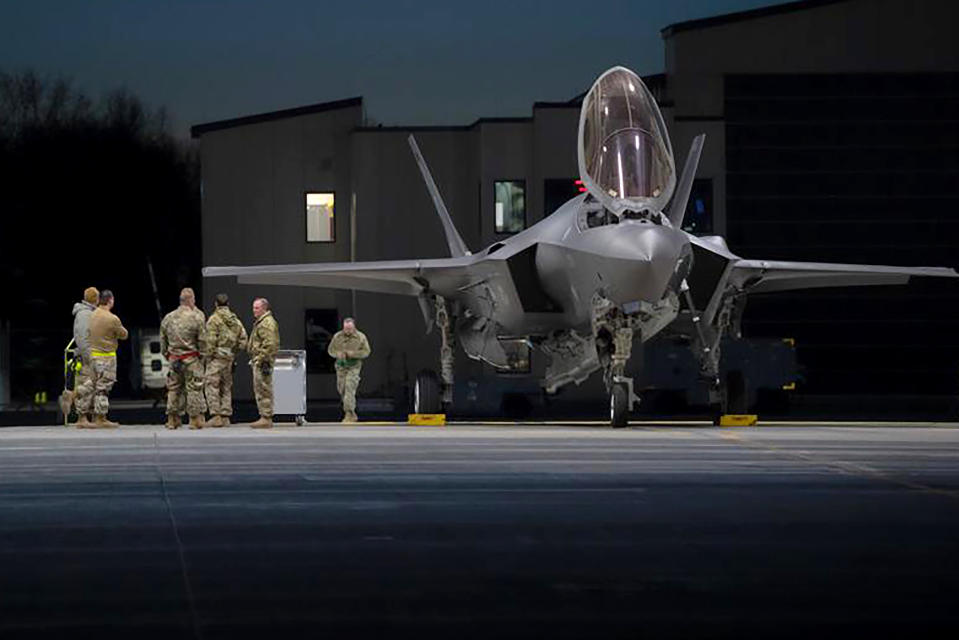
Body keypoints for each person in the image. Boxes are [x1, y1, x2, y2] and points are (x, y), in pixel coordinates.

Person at [75, 290, 128, 428]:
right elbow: (124, 334)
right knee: (102, 388)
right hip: (106, 357)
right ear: (110, 300)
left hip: (93, 356)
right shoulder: (112, 318)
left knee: (90, 385)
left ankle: (82, 412)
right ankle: (100, 417)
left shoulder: (91, 315)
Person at [160, 288, 207, 429]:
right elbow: (203, 341)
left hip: (174, 359)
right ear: (191, 300)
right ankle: (194, 420)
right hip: (191, 359)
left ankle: (172, 419)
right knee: (193, 389)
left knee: (173, 389)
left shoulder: (168, 318)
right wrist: (202, 356)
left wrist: (167, 355)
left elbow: (163, 340)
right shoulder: (196, 317)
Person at [202, 293, 247, 427]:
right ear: (228, 304)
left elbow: (210, 343)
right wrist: (233, 353)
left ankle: (216, 416)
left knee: (212, 386)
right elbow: (244, 341)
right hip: (229, 358)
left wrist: (208, 357)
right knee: (226, 387)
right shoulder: (236, 321)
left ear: (216, 304)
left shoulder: (213, 320)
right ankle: (226, 417)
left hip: (216, 359)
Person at [62, 286, 98, 427]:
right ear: (95, 299)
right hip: (86, 356)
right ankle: (81, 417)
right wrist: (90, 356)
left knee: (90, 385)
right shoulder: (84, 314)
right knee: (86, 383)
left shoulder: (87, 313)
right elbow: (82, 338)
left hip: (87, 354)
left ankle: (89, 416)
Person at [327, 317, 371, 423]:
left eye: (350, 329)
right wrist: (337, 354)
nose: (348, 331)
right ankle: (351, 412)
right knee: (342, 388)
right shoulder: (337, 336)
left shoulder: (361, 337)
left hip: (353, 366)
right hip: (341, 366)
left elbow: (366, 352)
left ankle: (349, 413)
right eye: (346, 329)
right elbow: (330, 350)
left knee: (349, 387)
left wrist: (354, 354)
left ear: (354, 327)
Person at [248, 297, 279, 429]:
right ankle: (264, 416)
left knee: (263, 388)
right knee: (260, 388)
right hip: (260, 360)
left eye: (257, 308)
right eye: (253, 307)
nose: (254, 310)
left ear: (264, 308)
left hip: (263, 362)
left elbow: (270, 344)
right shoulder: (262, 322)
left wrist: (260, 358)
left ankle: (266, 417)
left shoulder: (266, 323)